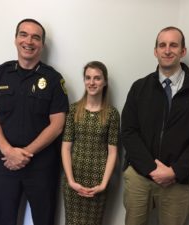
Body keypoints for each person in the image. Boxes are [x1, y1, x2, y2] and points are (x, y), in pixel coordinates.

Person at [121, 26, 189, 225]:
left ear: (183, 51)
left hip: (178, 179)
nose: (167, 50)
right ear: (155, 51)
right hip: (139, 175)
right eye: (162, 45)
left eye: (173, 45)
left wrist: (174, 171)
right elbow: (129, 131)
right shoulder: (139, 87)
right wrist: (150, 168)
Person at [0, 18, 69, 225]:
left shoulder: (54, 79)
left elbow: (57, 125)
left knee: (44, 221)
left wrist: (25, 153)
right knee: (3, 220)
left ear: (42, 44)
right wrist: (9, 151)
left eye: (36, 37)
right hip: (5, 163)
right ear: (15, 39)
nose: (29, 41)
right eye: (24, 34)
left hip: (42, 166)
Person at [61, 61, 119, 225]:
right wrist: (71, 181)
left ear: (104, 81)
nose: (92, 82)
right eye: (88, 78)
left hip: (98, 183)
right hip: (73, 181)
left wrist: (103, 184)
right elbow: (66, 148)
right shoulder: (73, 110)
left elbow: (113, 152)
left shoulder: (112, 114)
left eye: (97, 78)